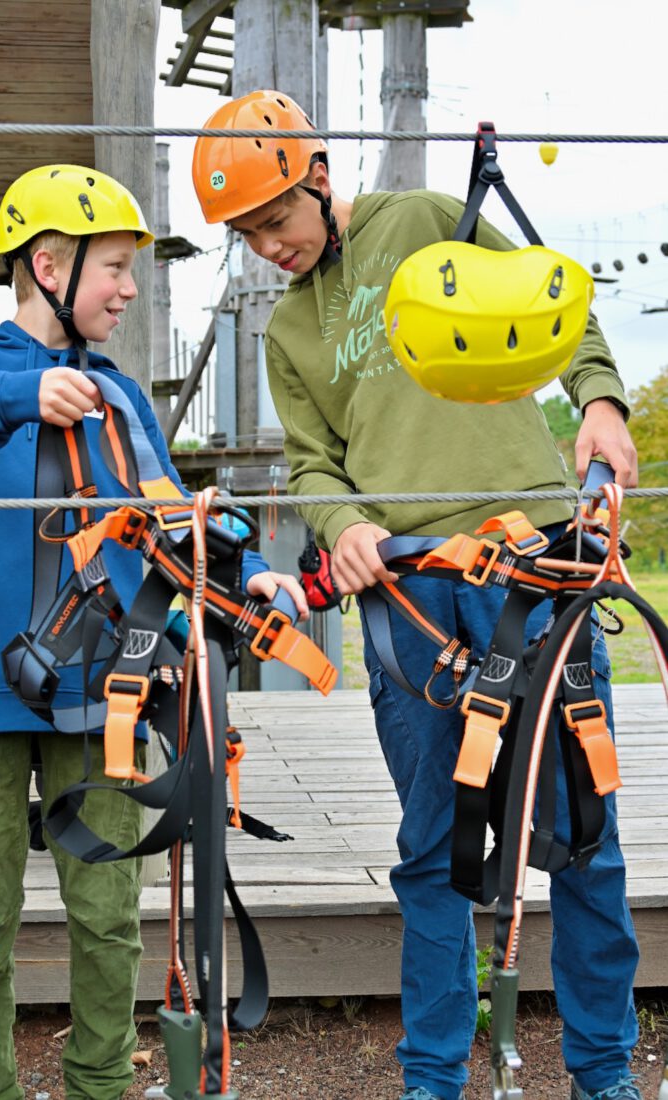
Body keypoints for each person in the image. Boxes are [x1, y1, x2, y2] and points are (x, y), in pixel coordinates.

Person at [192, 91, 643, 1100]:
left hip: (537, 563)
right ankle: (433, 1075)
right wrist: (341, 523)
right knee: (434, 845)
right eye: (246, 235)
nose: (268, 247)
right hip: (415, 599)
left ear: (316, 176)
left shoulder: (419, 221)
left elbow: (548, 296)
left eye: (275, 221)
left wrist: (600, 396)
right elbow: (311, 467)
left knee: (582, 831)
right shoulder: (287, 335)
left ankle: (603, 1069)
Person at [0, 162, 307, 1100]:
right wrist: (9, 401)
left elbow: (175, 509)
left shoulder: (122, 396)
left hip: (105, 688)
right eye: (113, 268)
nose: (130, 289)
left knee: (107, 910)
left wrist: (247, 563)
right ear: (49, 265)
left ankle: (100, 1083)